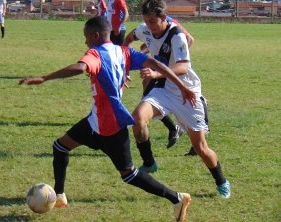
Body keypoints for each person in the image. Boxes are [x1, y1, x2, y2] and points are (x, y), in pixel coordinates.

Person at [19, 16, 194, 221]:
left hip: (109, 126)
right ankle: (59, 196)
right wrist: (182, 86)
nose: (85, 42)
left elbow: (81, 67)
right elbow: (156, 64)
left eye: (86, 37)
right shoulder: (124, 51)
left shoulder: (95, 54)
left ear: (95, 35)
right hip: (95, 120)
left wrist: (45, 78)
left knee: (129, 175)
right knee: (60, 146)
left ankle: (177, 198)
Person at [123, 0, 231, 198]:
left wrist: (155, 74)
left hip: (186, 93)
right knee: (137, 119)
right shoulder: (144, 30)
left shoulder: (176, 35)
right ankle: (149, 163)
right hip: (164, 90)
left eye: (153, 21)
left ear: (164, 18)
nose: (150, 26)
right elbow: (128, 40)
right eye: (146, 21)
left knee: (200, 148)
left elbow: (183, 67)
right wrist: (124, 65)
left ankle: (221, 181)